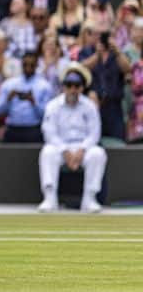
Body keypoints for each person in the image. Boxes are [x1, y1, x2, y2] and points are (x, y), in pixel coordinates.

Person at [38, 63, 106, 213]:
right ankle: (50, 198)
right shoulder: (52, 106)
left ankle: (90, 198)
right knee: (47, 152)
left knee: (98, 153)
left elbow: (94, 133)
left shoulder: (90, 106)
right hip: (60, 148)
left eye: (77, 85)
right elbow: (49, 133)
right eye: (69, 85)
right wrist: (65, 151)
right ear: (63, 87)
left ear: (82, 87)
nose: (73, 89)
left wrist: (82, 150)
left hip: (83, 148)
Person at [0, 51, 53, 143]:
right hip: (12, 129)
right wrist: (8, 99)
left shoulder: (44, 86)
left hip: (33, 130)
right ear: (21, 64)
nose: (28, 67)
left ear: (36, 65)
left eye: (31, 64)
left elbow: (48, 116)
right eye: (25, 64)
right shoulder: (9, 84)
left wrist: (34, 102)